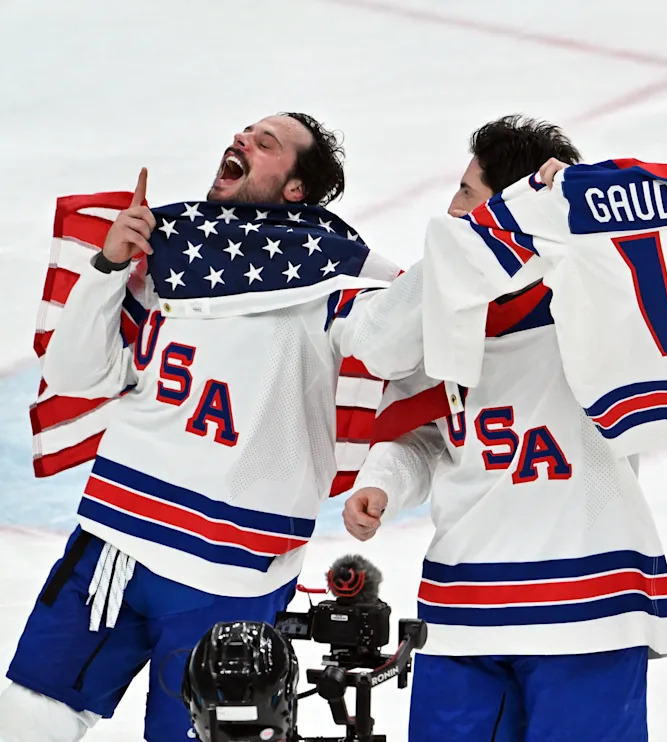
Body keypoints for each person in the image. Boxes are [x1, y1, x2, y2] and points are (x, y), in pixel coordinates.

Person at [0, 113, 412, 742]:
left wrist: (452, 266)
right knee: (29, 715)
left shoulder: (334, 279)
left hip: (229, 575)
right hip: (117, 540)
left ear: (296, 190)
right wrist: (109, 266)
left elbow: (391, 346)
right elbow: (77, 372)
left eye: (266, 143)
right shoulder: (172, 249)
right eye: (245, 132)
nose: (243, 140)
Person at [342, 115, 667, 742]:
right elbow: (387, 363)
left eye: (469, 194)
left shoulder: (594, 295)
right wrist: (384, 478)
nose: (452, 207)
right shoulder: (442, 313)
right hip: (464, 603)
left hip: (588, 601)